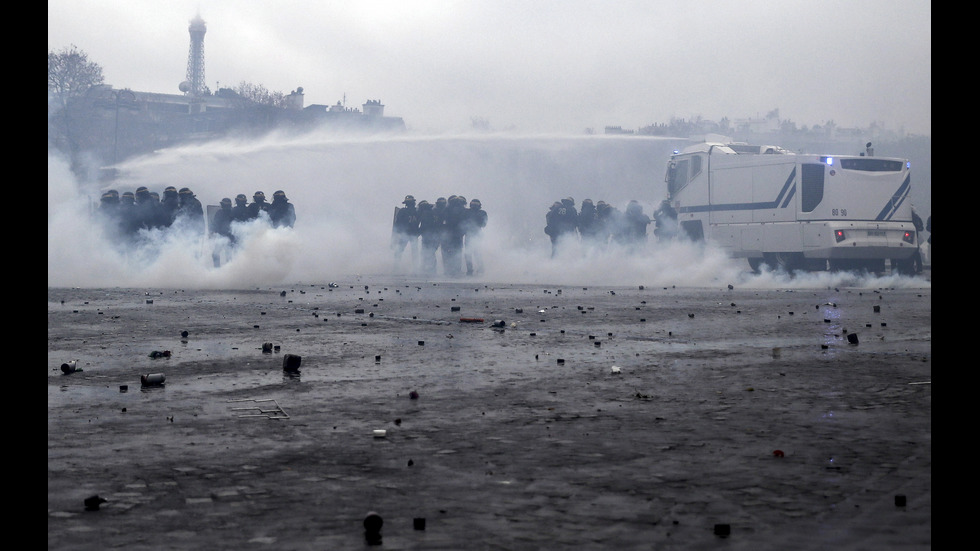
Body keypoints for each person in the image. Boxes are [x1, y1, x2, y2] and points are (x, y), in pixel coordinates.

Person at [391, 195, 421, 271]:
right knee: (414, 252)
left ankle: (396, 267)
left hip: (405, 234)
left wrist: (397, 234)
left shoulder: (402, 211)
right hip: (413, 234)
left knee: (399, 251)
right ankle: (415, 269)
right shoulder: (418, 211)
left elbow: (397, 224)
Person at [442, 195, 468, 276]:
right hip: (457, 234)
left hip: (448, 234)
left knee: (446, 252)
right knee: (457, 253)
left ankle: (447, 270)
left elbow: (443, 220)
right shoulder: (463, 210)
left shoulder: (446, 209)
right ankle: (456, 270)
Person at [463, 198, 488, 275]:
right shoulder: (482, 213)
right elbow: (483, 224)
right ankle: (477, 270)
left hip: (474, 234)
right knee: (473, 253)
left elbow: (483, 224)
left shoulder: (467, 212)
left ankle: (472, 270)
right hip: (473, 234)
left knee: (472, 253)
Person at [210, 197, 234, 267]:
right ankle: (218, 269)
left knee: (228, 255)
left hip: (228, 237)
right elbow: (215, 223)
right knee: (216, 254)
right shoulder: (220, 212)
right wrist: (212, 231)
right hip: (221, 236)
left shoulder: (231, 213)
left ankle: (228, 270)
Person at [418, 200, 440, 274]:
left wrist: (418, 232)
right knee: (431, 253)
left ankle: (427, 269)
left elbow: (424, 226)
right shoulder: (435, 212)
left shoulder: (425, 213)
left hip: (428, 237)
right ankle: (432, 269)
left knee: (426, 253)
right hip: (436, 236)